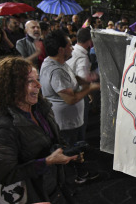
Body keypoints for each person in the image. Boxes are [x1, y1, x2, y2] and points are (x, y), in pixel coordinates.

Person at [0, 56, 78, 203]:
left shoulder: (41, 108)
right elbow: (5, 175)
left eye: (37, 79)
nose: (39, 85)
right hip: (35, 197)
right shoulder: (1, 129)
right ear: (11, 87)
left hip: (57, 187)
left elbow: (54, 138)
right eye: (30, 81)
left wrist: (64, 150)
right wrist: (46, 162)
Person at [40, 30, 100, 184]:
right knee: (71, 150)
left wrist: (84, 82)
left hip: (71, 121)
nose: (72, 48)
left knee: (76, 148)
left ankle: (80, 172)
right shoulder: (56, 70)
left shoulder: (57, 63)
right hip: (66, 123)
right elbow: (70, 99)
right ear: (61, 50)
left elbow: (73, 78)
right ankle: (77, 177)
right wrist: (90, 88)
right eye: (69, 46)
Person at [66, 28, 98, 140]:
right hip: (78, 96)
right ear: (89, 41)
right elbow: (83, 78)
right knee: (80, 126)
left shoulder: (72, 50)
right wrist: (94, 76)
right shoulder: (82, 57)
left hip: (67, 93)